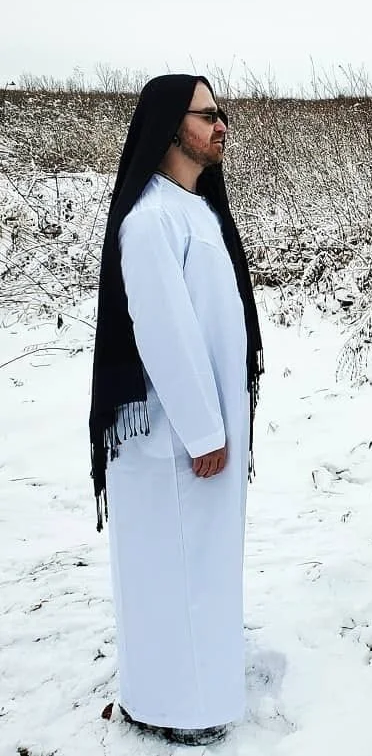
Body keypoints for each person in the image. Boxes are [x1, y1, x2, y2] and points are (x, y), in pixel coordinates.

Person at [89, 74, 264, 745]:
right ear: (170, 126)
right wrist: (202, 429)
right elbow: (164, 332)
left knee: (201, 569)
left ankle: (195, 689)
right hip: (175, 438)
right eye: (207, 115)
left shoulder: (196, 207)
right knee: (173, 572)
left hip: (207, 429)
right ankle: (174, 706)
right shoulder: (150, 217)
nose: (221, 125)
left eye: (222, 114)